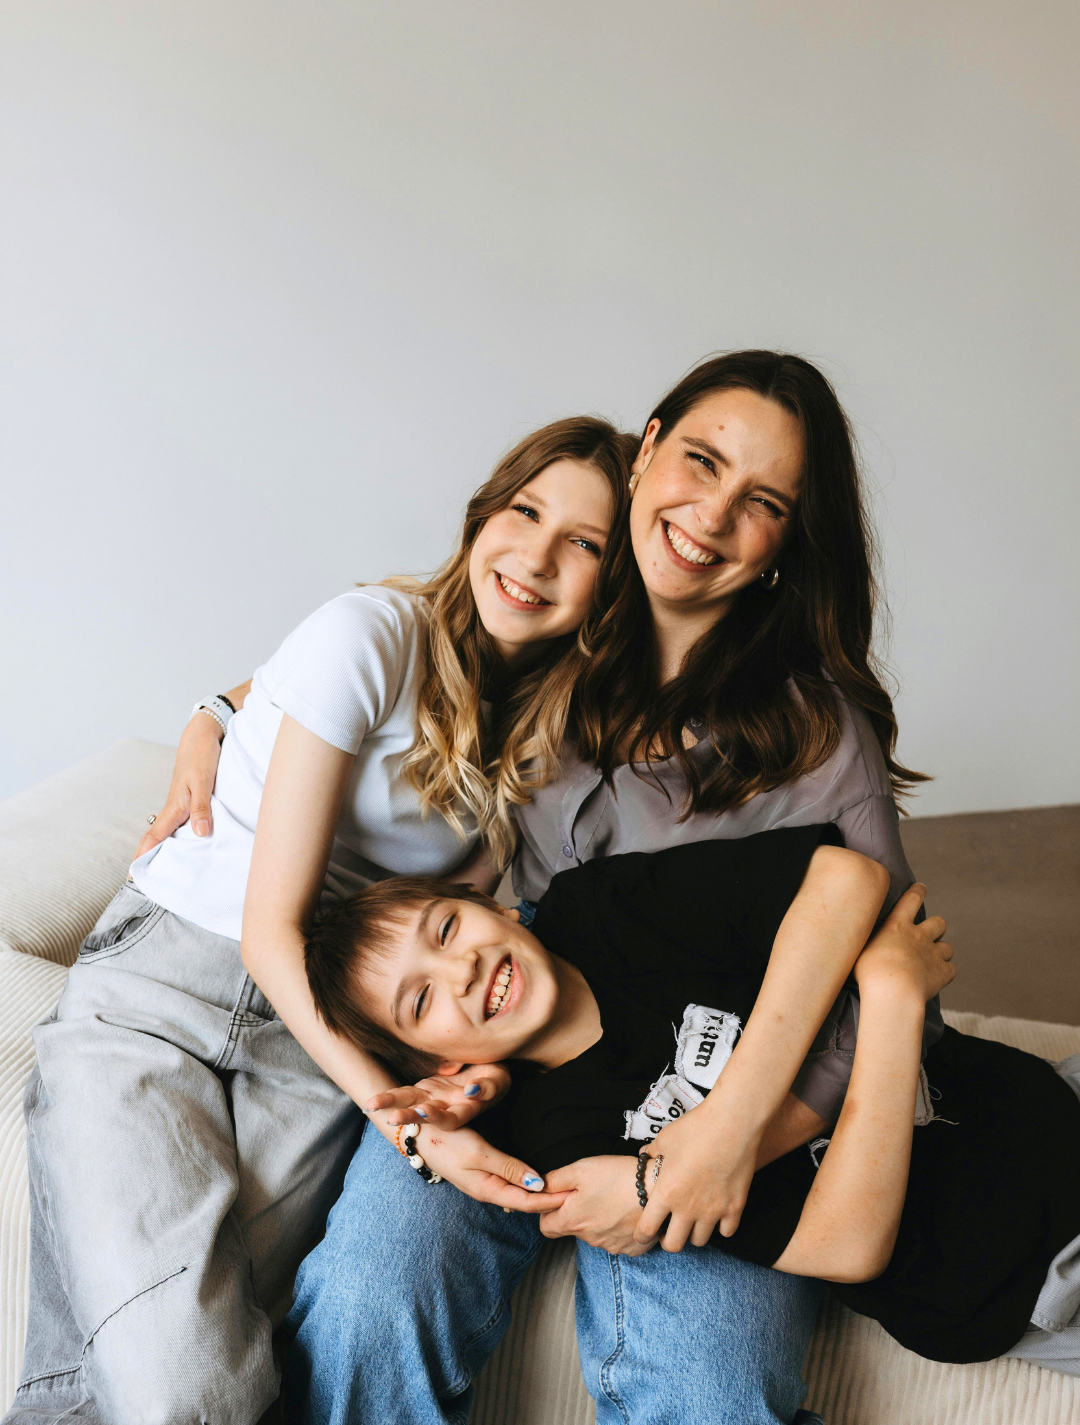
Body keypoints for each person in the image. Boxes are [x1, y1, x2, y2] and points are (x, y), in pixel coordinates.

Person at [281, 352, 935, 1425]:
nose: (712, 516)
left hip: (704, 1069)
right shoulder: (550, 615)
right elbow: (383, 639)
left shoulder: (814, 727)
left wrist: (713, 1147)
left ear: (787, 544)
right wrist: (219, 712)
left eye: (762, 503)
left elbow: (880, 968)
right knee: (363, 1300)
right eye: (700, 462)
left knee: (717, 1389)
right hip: (514, 1027)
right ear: (647, 450)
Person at [6, 416, 633, 1425]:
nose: (538, 555)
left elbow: (473, 941)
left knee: (175, 1361)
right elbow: (270, 929)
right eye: (526, 511)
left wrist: (458, 1080)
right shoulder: (376, 630)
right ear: (485, 514)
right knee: (186, 1390)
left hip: (318, 1045)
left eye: (587, 544)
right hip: (173, 984)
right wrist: (404, 1122)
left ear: (614, 585)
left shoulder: (540, 746)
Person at [299, 831, 1080, 1381]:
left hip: (1050, 1098)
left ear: (499, 908)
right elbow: (846, 1245)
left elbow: (846, 877)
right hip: (1022, 1271)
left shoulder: (594, 908)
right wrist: (891, 1001)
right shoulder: (562, 1141)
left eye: (446, 928)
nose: (462, 969)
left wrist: (729, 1119)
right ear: (440, 1063)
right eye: (423, 998)